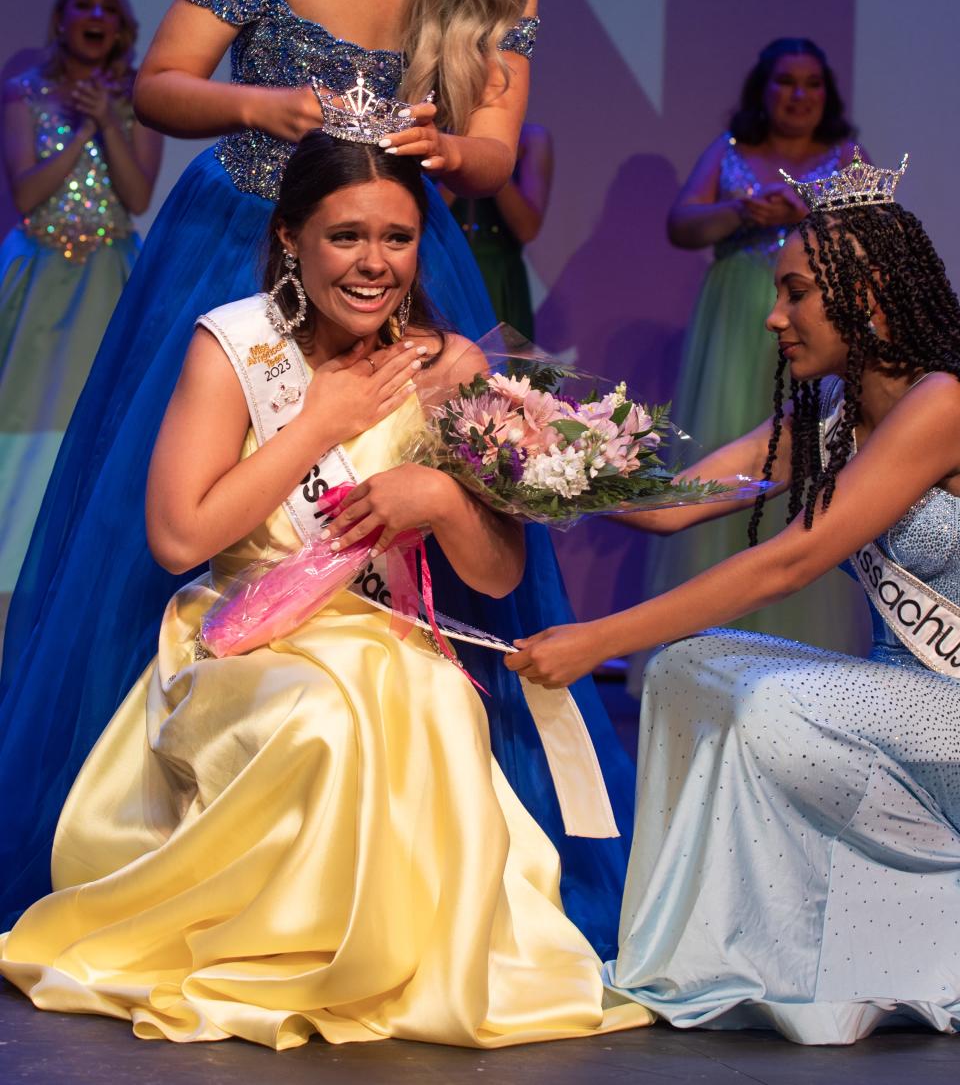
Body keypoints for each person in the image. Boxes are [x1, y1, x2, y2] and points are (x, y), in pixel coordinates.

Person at [0, 0, 635, 955]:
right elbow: (160, 83)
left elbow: (500, 144)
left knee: (423, 496)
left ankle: (433, 856)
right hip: (233, 228)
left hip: (398, 236)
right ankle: (146, 830)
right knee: (178, 525)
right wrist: (264, 106)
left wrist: (451, 144)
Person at [0, 131, 649, 1050]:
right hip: (248, 636)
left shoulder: (451, 365)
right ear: (293, 237)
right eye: (346, 236)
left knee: (432, 694)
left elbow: (500, 573)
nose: (373, 262)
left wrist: (444, 504)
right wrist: (318, 425)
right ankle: (280, 958)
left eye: (397, 236)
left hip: (389, 636)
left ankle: (396, 961)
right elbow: (178, 533)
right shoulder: (236, 346)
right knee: (320, 717)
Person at [507, 150, 960, 1044]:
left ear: (864, 295)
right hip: (898, 706)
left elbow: (787, 564)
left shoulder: (941, 402)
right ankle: (700, 950)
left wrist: (599, 638)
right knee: (684, 672)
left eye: (794, 292)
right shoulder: (830, 413)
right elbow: (680, 505)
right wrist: (532, 459)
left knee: (776, 706)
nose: (771, 315)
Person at [635, 37, 866, 669]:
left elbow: (875, 242)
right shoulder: (733, 152)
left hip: (817, 322)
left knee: (809, 462)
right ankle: (704, 643)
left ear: (829, 94)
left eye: (812, 83)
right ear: (763, 89)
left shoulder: (846, 156)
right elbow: (682, 224)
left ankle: (802, 648)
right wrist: (741, 211)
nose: (799, 95)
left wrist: (810, 213)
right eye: (786, 82)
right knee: (732, 449)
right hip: (739, 320)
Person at [0, 0, 161, 638]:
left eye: (107, 6)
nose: (95, 15)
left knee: (92, 425)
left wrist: (109, 123)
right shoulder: (23, 96)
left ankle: (75, 571)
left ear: (120, 27)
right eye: (82, 4)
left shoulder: (138, 102)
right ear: (63, 20)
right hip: (37, 277)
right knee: (22, 420)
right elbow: (30, 194)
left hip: (108, 276)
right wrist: (77, 132)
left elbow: (137, 197)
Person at [449, 120, 553, 339]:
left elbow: (527, 229)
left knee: (503, 370)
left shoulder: (530, 137)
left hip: (498, 277)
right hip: (444, 269)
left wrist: (494, 163)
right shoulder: (432, 129)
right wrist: (459, 154)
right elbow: (419, 217)